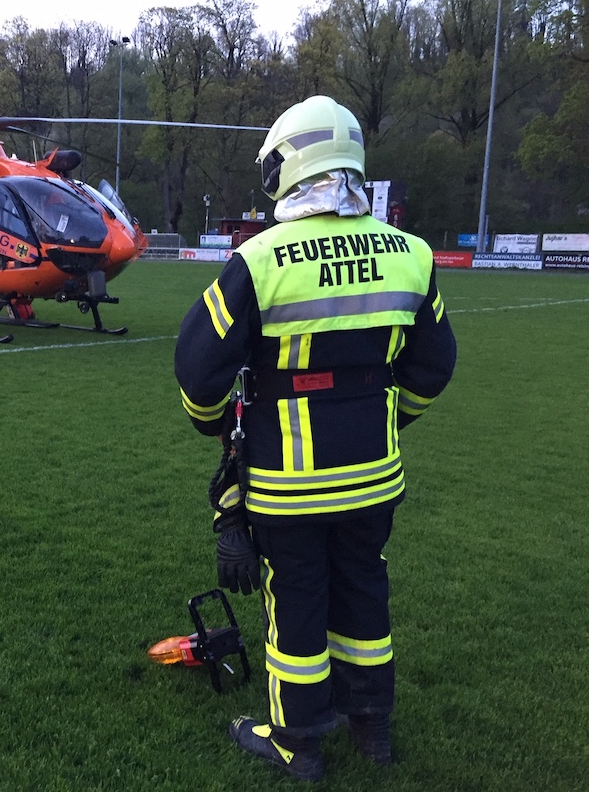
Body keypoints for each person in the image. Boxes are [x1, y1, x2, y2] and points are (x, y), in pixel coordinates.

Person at [174, 95, 457, 782]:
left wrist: (215, 427)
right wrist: (391, 419)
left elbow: (199, 369)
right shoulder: (412, 254)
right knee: (364, 588)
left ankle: (294, 741)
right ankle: (371, 726)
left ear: (289, 165)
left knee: (296, 602)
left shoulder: (260, 259)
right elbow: (433, 365)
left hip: (289, 481)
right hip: (374, 474)